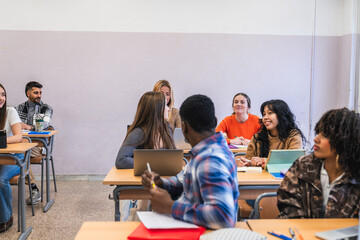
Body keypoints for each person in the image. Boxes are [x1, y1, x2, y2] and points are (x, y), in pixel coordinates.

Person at [141, 94, 239, 229]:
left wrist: (171, 207)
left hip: (197, 232)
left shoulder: (210, 159)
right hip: (187, 224)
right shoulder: (203, 151)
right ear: (215, 121)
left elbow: (223, 217)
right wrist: (161, 183)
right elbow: (182, 180)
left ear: (184, 127)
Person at [278, 108, 360, 218]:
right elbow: (288, 208)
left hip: (345, 234)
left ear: (344, 140)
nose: (316, 139)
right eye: (318, 133)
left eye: (325, 135)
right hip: (302, 232)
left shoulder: (356, 173)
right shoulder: (303, 165)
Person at [115, 91, 175, 169]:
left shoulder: (167, 127)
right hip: (146, 179)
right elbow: (121, 161)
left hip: (167, 177)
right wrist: (155, 164)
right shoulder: (138, 133)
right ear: (156, 109)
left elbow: (174, 156)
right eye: (165, 105)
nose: (168, 109)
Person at [16, 81, 53, 205]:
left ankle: (33, 188)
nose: (39, 95)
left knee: (21, 153)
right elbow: (14, 125)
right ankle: (33, 188)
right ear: (28, 93)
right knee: (18, 153)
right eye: (36, 92)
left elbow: (45, 125)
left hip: (38, 145)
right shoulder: (19, 108)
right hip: (21, 142)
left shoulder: (46, 108)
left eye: (40, 93)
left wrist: (29, 127)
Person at [238, 99, 305, 168]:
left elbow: (295, 162)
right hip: (259, 178)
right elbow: (249, 161)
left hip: (283, 178)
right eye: (264, 114)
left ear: (281, 115)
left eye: (270, 113)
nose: (265, 117)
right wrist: (244, 164)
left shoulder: (293, 135)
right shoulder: (257, 138)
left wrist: (266, 161)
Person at [0, 84, 23, 233]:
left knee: (0, 180)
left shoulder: (10, 111)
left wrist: (2, 141)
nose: (1, 98)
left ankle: (6, 218)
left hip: (14, 158)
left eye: (3, 94)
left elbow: (19, 137)